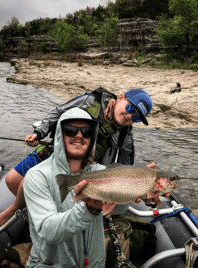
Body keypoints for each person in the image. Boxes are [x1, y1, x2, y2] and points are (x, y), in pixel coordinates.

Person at [0, 87, 153, 226]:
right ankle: (34, 212)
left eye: (136, 117)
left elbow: (127, 164)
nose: (130, 116)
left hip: (87, 167)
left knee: (27, 183)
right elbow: (58, 111)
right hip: (57, 151)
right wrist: (39, 132)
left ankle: (30, 212)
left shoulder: (126, 133)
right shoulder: (90, 101)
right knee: (12, 180)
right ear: (120, 98)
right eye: (131, 109)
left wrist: (136, 182)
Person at [23, 107, 161, 268]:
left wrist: (138, 190)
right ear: (60, 134)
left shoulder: (101, 172)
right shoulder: (37, 176)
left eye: (86, 132)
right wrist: (89, 209)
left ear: (92, 137)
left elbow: (118, 210)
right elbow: (48, 230)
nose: (79, 135)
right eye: (71, 130)